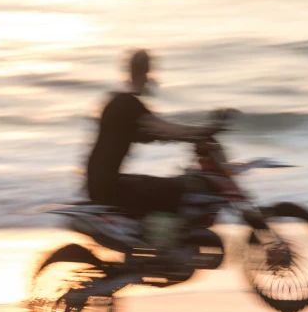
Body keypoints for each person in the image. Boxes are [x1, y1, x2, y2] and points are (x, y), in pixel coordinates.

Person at [85, 49, 222, 216]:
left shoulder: (116, 102)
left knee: (159, 184)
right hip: (108, 187)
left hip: (97, 183)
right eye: (149, 72)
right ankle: (166, 240)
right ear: (145, 72)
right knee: (175, 188)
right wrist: (206, 129)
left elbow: (151, 133)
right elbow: (166, 129)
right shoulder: (128, 103)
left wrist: (187, 137)